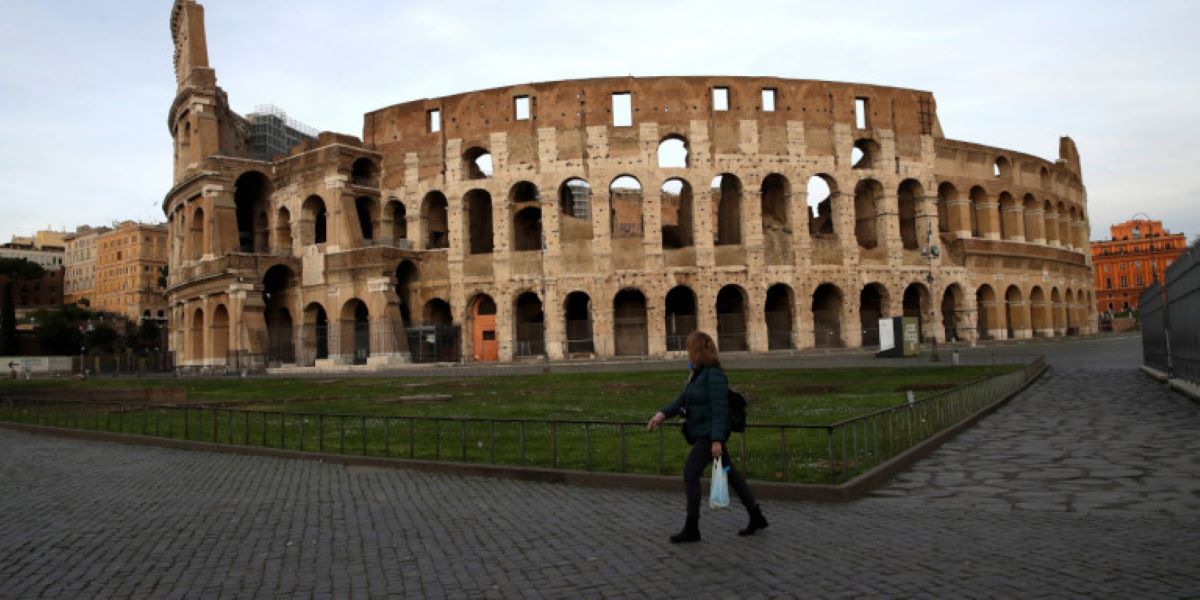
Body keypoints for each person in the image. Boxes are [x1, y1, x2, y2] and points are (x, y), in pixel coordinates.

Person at [646, 331, 768, 543]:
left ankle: (692, 527)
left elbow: (720, 411)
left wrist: (717, 440)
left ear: (696, 350)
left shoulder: (714, 375)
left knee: (690, 473)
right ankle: (756, 516)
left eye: (689, 349)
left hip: (709, 436)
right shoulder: (697, 375)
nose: (687, 353)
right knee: (731, 474)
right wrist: (661, 414)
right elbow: (682, 399)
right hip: (705, 434)